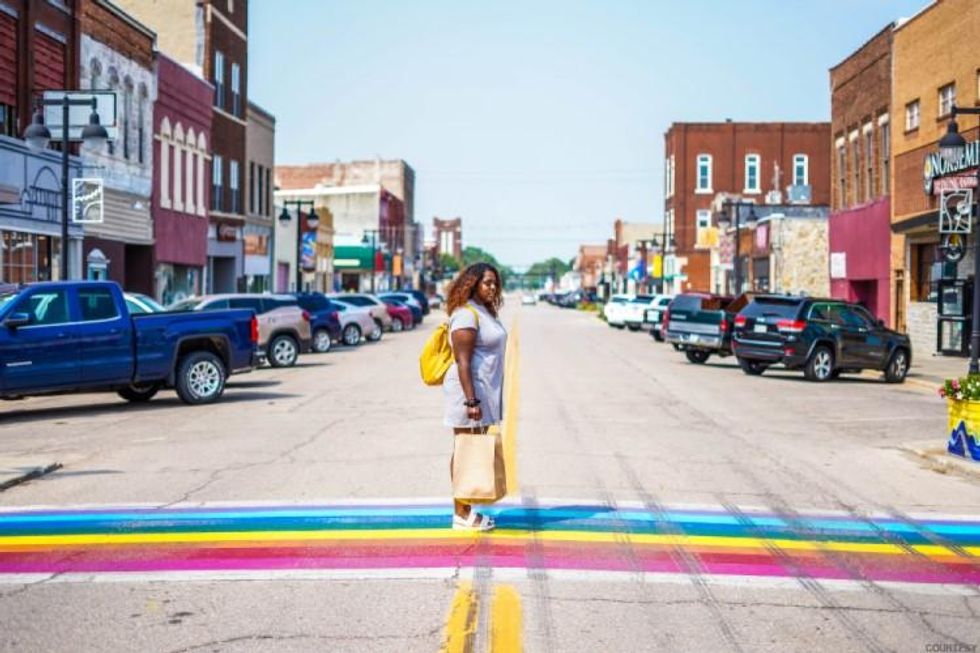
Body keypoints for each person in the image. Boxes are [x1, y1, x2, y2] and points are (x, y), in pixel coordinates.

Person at [444, 262, 507, 531]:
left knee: (470, 451)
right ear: (473, 284)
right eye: (487, 282)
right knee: (465, 451)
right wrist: (471, 402)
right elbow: (463, 362)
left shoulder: (484, 311)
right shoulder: (466, 315)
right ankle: (461, 514)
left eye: (495, 283)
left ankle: (465, 509)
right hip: (468, 393)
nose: (492, 287)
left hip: (481, 393)